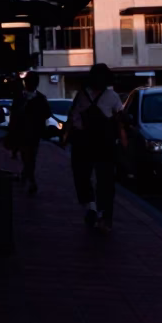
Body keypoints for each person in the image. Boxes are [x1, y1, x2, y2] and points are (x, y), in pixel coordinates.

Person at [61, 64, 127, 233]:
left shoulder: (86, 96)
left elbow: (73, 118)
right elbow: (120, 121)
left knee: (95, 178)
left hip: (91, 143)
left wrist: (66, 137)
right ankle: (96, 210)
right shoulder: (104, 96)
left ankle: (99, 212)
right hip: (98, 143)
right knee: (90, 177)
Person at [8, 72, 51, 195]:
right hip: (22, 132)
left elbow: (47, 113)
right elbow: (14, 115)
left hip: (34, 132)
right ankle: (29, 178)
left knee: (30, 157)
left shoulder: (40, 98)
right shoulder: (20, 97)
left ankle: (29, 178)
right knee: (27, 156)